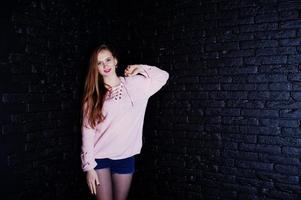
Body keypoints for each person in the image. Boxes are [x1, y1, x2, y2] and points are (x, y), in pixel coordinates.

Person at [80, 44, 169, 200]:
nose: (105, 65)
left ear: (115, 61)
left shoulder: (135, 84)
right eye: (99, 63)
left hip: (125, 156)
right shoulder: (93, 96)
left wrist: (138, 67)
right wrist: (89, 167)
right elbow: (88, 131)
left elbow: (163, 76)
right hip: (99, 158)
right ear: (96, 68)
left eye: (108, 59)